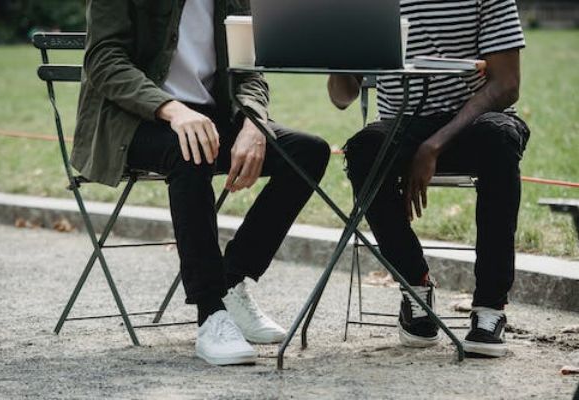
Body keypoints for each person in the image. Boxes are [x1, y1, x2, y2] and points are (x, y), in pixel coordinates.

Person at [73, 0, 330, 366]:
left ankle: (231, 280)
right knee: (190, 151)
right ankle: (211, 312)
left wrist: (254, 122)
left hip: (213, 119)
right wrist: (173, 110)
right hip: (135, 121)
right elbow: (104, 60)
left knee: (308, 152)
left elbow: (248, 69)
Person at [329, 0, 530, 357]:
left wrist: (434, 145)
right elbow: (341, 97)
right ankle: (415, 285)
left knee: (500, 139)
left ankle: (490, 307)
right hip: (403, 126)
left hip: (476, 122)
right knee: (363, 151)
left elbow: (507, 84)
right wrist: (341, 43)